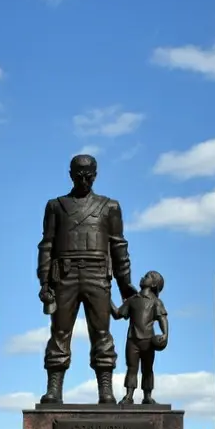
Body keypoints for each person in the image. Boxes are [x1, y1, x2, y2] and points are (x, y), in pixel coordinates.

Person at [37, 153, 135, 405]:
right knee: (59, 333)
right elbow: (47, 245)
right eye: (79, 176)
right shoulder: (56, 206)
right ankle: (54, 390)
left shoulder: (109, 206)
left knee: (102, 333)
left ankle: (106, 390)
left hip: (98, 274)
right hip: (64, 276)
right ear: (70, 175)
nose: (83, 180)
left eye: (88, 176)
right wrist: (45, 282)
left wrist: (125, 285)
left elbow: (119, 246)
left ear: (95, 175)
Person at [112, 270, 168, 405]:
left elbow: (162, 318)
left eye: (148, 276)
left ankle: (147, 396)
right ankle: (129, 395)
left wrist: (165, 334)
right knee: (132, 368)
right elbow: (117, 314)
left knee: (147, 369)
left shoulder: (156, 302)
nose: (143, 277)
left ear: (153, 284)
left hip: (148, 341)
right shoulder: (133, 300)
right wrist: (106, 297)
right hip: (132, 340)